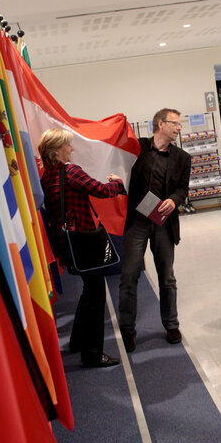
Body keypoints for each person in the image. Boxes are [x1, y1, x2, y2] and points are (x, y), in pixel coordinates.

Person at [38, 129, 126, 368]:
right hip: (85, 242)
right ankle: (93, 353)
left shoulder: (47, 176)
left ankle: (77, 341)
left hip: (67, 245)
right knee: (95, 295)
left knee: (88, 292)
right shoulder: (71, 171)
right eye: (68, 145)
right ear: (57, 150)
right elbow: (101, 190)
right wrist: (117, 184)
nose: (72, 148)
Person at [118, 108, 191, 352]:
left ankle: (171, 324)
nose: (179, 128)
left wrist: (174, 199)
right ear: (160, 124)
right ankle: (127, 330)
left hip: (163, 221)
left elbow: (183, 188)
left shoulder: (182, 158)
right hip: (137, 221)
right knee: (129, 277)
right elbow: (119, 160)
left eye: (180, 125)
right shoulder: (137, 148)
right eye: (175, 124)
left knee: (167, 278)